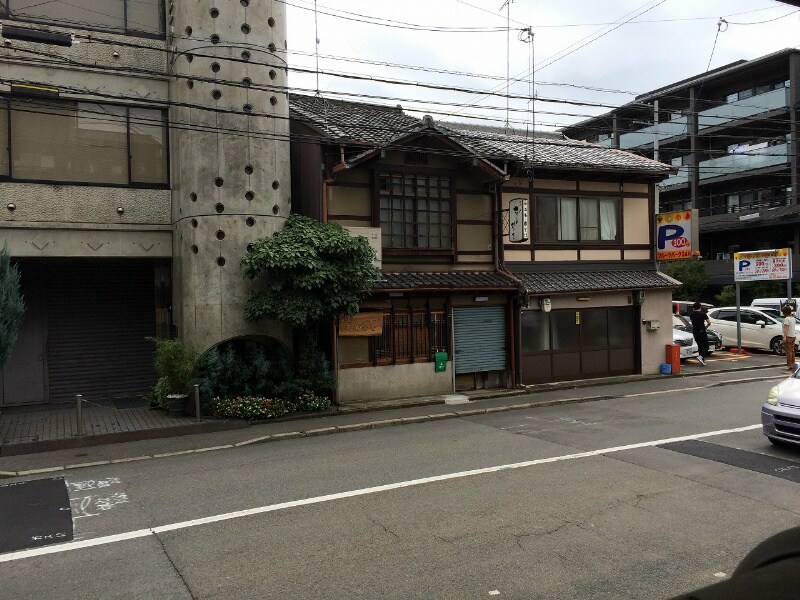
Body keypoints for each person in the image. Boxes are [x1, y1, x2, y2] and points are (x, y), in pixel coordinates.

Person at [689, 301, 711, 366]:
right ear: (700, 307)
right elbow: (709, 323)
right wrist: (705, 327)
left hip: (695, 332)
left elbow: (692, 323)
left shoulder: (691, 315)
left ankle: (702, 361)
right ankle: (701, 357)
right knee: (706, 346)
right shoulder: (703, 314)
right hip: (702, 331)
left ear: (693, 308)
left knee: (700, 346)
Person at [781, 304, 796, 372]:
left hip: (788, 336)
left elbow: (786, 328)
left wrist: (784, 337)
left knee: (788, 352)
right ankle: (793, 364)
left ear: (785, 312)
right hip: (793, 336)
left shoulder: (786, 319)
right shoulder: (793, 318)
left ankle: (789, 365)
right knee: (792, 351)